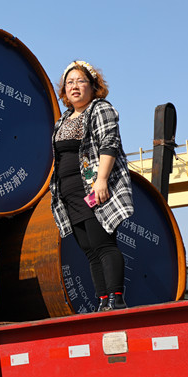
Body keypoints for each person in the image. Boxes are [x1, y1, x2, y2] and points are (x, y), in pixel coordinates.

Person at [50, 60, 133, 311]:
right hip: (70, 194)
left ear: (93, 86)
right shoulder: (63, 120)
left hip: (91, 188)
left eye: (80, 81)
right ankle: (103, 300)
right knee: (89, 249)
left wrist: (102, 180)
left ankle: (116, 298)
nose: (74, 86)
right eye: (70, 82)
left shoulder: (100, 109)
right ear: (64, 90)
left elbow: (109, 143)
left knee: (103, 243)